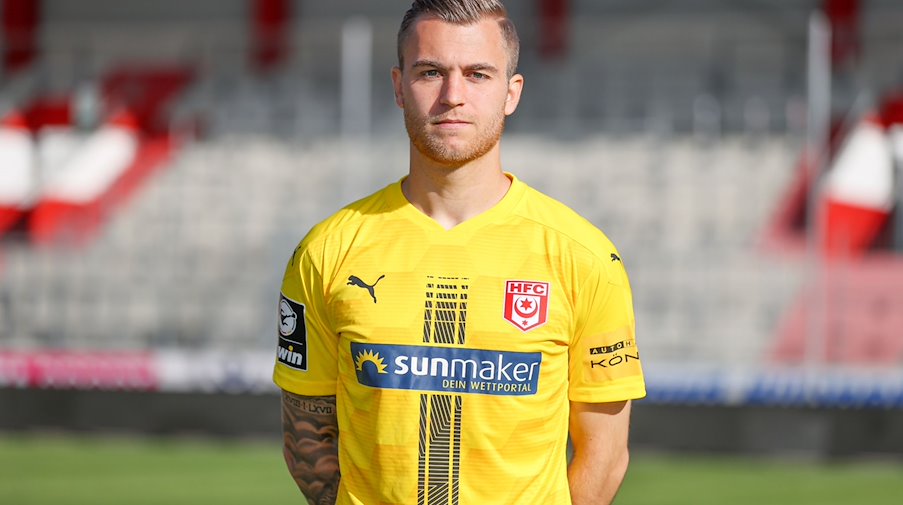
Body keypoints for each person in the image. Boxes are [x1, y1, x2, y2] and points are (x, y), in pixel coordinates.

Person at [273, 1, 646, 503]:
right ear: (399, 86)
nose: (453, 96)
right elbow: (306, 442)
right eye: (431, 72)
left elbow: (605, 454)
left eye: (478, 74)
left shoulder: (583, 256)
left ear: (511, 93)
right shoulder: (327, 251)